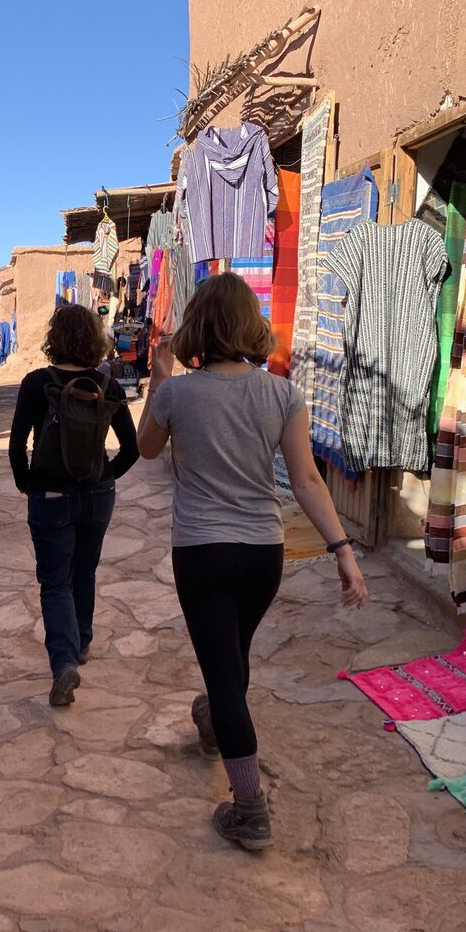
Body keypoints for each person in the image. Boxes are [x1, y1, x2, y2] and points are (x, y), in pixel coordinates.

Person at [137, 273, 368, 851]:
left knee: (225, 672)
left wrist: (158, 381)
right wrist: (343, 550)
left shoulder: (177, 393)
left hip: (202, 551)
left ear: (200, 325)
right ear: (249, 324)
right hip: (264, 554)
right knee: (232, 654)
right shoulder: (282, 393)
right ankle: (214, 718)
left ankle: (249, 809)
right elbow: (308, 480)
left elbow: (145, 450)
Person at [10, 304, 139, 707]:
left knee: (55, 582)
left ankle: (64, 662)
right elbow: (132, 451)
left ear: (55, 338)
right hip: (98, 496)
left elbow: (17, 446)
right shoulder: (110, 386)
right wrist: (104, 477)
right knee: (85, 571)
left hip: (50, 496)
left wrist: (28, 486)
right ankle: (82, 643)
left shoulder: (37, 383)